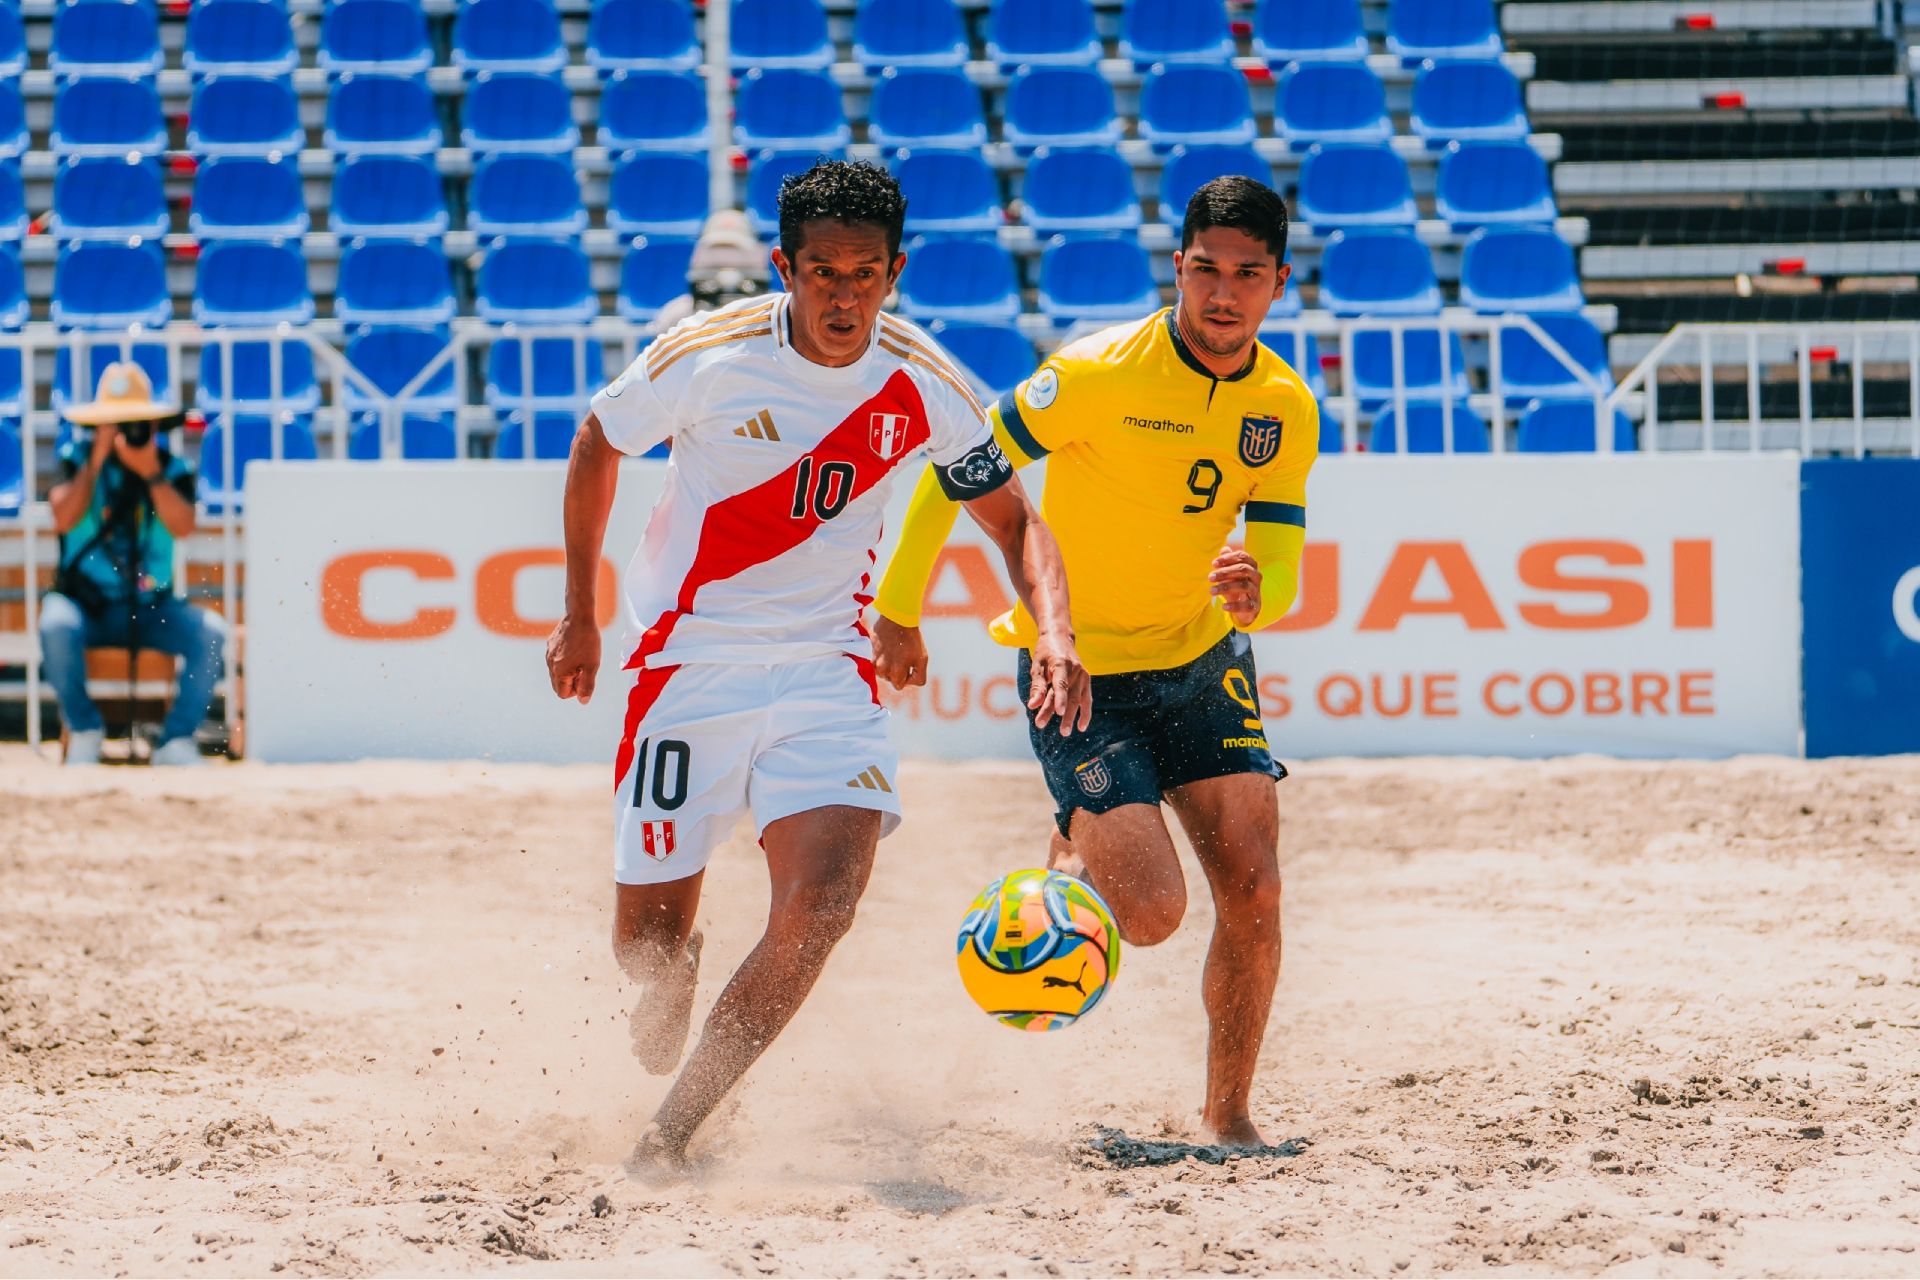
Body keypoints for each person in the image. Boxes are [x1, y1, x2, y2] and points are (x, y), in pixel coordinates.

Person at [543, 159, 1091, 1170]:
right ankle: (674, 970)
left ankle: (672, 1130)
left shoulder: (923, 376)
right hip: (685, 661)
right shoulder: (707, 354)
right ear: (787, 269)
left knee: (823, 905)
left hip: (827, 669)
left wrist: (1052, 628)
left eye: (866, 274)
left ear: (895, 271)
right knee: (644, 946)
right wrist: (579, 615)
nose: (846, 297)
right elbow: (594, 442)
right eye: (824, 273)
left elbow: (1017, 524)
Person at [871, 176, 1319, 1148]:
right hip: (1075, 670)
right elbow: (960, 465)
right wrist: (897, 607)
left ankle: (1229, 1114)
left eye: (1248, 275)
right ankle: (1073, 833)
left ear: (1280, 283)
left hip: (1204, 661)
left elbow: (1279, 563)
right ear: (1180, 266)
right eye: (1207, 269)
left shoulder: (1286, 405)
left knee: (1258, 890)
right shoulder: (1097, 372)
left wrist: (1261, 593)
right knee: (1152, 912)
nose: (1223, 293)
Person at [40, 362, 224, 767]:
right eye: (117, 423)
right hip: (86, 604)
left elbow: (183, 526)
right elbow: (62, 516)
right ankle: (85, 729)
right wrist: (97, 458)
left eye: (137, 423)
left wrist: (150, 473)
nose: (129, 431)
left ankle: (176, 742)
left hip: (151, 606)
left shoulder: (172, 469)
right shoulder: (78, 459)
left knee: (211, 632)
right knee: (54, 622)